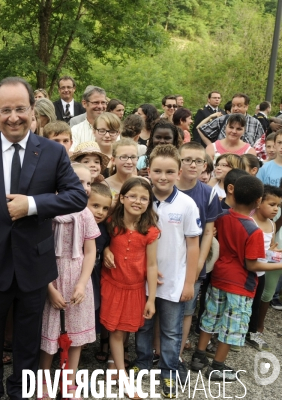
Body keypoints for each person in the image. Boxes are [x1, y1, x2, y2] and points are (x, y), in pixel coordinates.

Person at [0, 76, 86, 400]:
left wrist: (32, 205)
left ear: (32, 109)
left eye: (20, 109)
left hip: (34, 263)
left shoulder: (53, 152)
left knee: (29, 339)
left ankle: (21, 392)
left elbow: (76, 197)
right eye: (5, 110)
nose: (13, 116)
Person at [190, 176, 282, 380]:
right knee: (233, 325)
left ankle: (198, 356)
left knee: (210, 317)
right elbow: (252, 264)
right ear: (258, 201)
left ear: (232, 193)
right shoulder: (253, 230)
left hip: (219, 277)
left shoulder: (221, 216)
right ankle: (217, 366)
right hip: (240, 284)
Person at [127, 144, 201, 398]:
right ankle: (143, 361)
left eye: (169, 172)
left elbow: (193, 246)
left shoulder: (187, 205)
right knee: (144, 326)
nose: (163, 177)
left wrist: (189, 282)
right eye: (157, 171)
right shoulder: (141, 201)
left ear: (179, 172)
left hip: (174, 280)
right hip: (141, 278)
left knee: (171, 330)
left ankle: (169, 370)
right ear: (148, 171)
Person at [39, 165, 99, 399]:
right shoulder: (47, 213)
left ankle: (69, 380)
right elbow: (39, 253)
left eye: (88, 183)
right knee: (49, 332)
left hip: (76, 276)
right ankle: (43, 379)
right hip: (50, 275)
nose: (84, 188)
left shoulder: (85, 214)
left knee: (75, 334)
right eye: (79, 182)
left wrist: (82, 284)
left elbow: (90, 252)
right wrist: (49, 288)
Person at [101, 178, 158, 397]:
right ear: (122, 198)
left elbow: (152, 265)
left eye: (144, 198)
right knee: (115, 330)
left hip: (134, 288)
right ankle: (123, 378)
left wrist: (151, 298)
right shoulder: (111, 222)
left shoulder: (150, 231)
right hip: (112, 284)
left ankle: (115, 363)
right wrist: (106, 249)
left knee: (124, 329)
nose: (138, 201)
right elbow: (101, 242)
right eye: (133, 196)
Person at [175, 142, 222, 358]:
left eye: (198, 161)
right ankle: (158, 350)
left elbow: (208, 232)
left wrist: (200, 263)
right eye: (187, 160)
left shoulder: (209, 193)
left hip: (193, 261)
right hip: (167, 258)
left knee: (187, 310)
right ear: (179, 162)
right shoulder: (167, 186)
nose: (193, 165)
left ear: (205, 165)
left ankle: (177, 352)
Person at [253, 185, 282, 350]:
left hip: (262, 270)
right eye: (272, 205)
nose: (276, 209)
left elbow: (269, 247)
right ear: (258, 202)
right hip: (249, 270)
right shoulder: (251, 222)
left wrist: (274, 252)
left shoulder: (271, 225)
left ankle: (253, 331)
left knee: (257, 301)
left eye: (278, 206)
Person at [86, 183, 112, 363]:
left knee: (94, 306)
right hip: (77, 275)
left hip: (94, 276)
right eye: (95, 206)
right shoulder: (79, 222)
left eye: (105, 208)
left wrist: (109, 248)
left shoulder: (104, 229)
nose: (100, 212)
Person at [197, 93, 264, 147]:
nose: (235, 108)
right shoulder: (223, 119)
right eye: (233, 105)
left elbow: (261, 143)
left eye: (239, 105)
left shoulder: (255, 123)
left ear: (246, 107)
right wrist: (212, 147)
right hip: (224, 159)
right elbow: (201, 130)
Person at [103, 138, 138, 205]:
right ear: (113, 160)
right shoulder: (105, 186)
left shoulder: (143, 183)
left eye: (133, 157)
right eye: (124, 157)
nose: (129, 162)